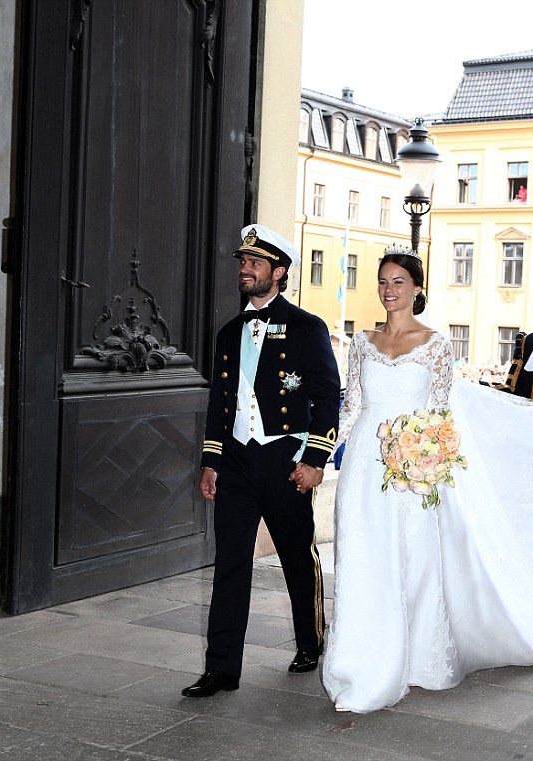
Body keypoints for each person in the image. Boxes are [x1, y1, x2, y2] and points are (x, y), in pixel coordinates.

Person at [322, 248, 533, 713]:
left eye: (398, 282)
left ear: (417, 288)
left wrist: (426, 461)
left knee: (412, 561)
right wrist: (319, 456)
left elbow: (442, 413)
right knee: (361, 557)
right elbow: (350, 408)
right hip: (365, 460)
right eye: (383, 281)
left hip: (412, 465)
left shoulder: (437, 344)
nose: (389, 290)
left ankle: (413, 659)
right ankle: (357, 660)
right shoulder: (362, 342)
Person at [182, 224, 340, 699]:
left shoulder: (308, 328)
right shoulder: (229, 332)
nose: (244, 270)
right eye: (242, 263)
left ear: (280, 271)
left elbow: (326, 399)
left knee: (296, 555)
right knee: (230, 563)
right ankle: (221, 669)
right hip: (236, 463)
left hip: (284, 460)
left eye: (254, 263)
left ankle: (311, 641)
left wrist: (314, 460)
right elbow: (219, 405)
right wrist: (211, 460)